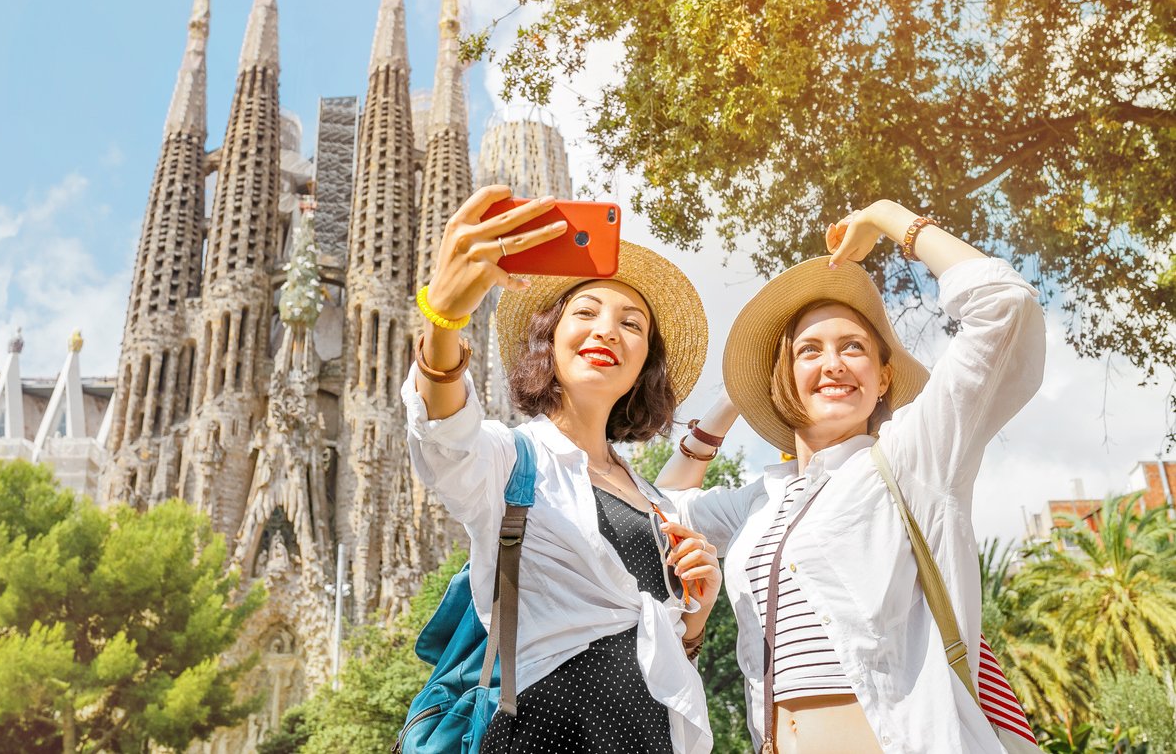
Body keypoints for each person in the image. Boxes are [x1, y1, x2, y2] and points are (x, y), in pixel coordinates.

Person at [657, 199, 1046, 753]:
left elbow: (1004, 307)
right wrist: (730, 404)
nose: (832, 364)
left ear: (884, 377)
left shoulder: (914, 457)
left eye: (854, 349)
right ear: (783, 379)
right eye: (808, 351)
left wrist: (890, 218)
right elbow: (655, 509)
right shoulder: (758, 503)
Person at [404, 185, 721, 754]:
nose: (607, 330)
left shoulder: (658, 503)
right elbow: (446, 437)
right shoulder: (512, 461)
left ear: (644, 363)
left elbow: (665, 656)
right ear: (550, 339)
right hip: (541, 734)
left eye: (632, 323)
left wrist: (695, 615)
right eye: (586, 311)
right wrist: (443, 319)